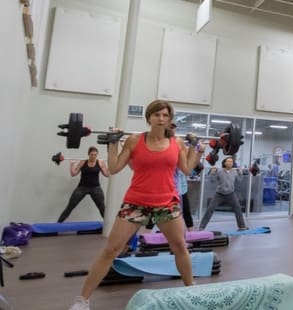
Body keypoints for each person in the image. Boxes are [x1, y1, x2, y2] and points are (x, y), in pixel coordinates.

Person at [70, 100, 204, 310]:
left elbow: (187, 169)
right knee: (111, 250)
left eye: (165, 115)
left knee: (179, 247)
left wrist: (197, 149)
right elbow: (113, 168)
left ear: (169, 119)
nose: (161, 119)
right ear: (149, 117)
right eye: (157, 115)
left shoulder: (177, 143)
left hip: (167, 202)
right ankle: (82, 301)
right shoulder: (134, 140)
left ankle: (191, 290)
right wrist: (112, 144)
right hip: (136, 202)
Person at [57, 146, 109, 223]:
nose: (94, 156)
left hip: (96, 188)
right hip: (82, 187)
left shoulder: (100, 162)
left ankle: (109, 227)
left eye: (95, 155)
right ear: (88, 154)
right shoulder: (82, 162)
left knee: (102, 208)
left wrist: (110, 165)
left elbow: (107, 174)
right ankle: (57, 225)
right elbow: (73, 174)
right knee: (70, 206)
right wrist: (72, 165)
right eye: (92, 154)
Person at [198, 157, 248, 231]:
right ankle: (201, 227)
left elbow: (240, 181)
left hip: (231, 194)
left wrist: (241, 174)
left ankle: (242, 226)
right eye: (228, 161)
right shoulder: (219, 171)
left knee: (238, 209)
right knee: (210, 209)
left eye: (231, 162)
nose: (230, 163)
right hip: (219, 194)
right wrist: (212, 172)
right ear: (225, 163)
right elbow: (212, 180)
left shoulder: (234, 172)